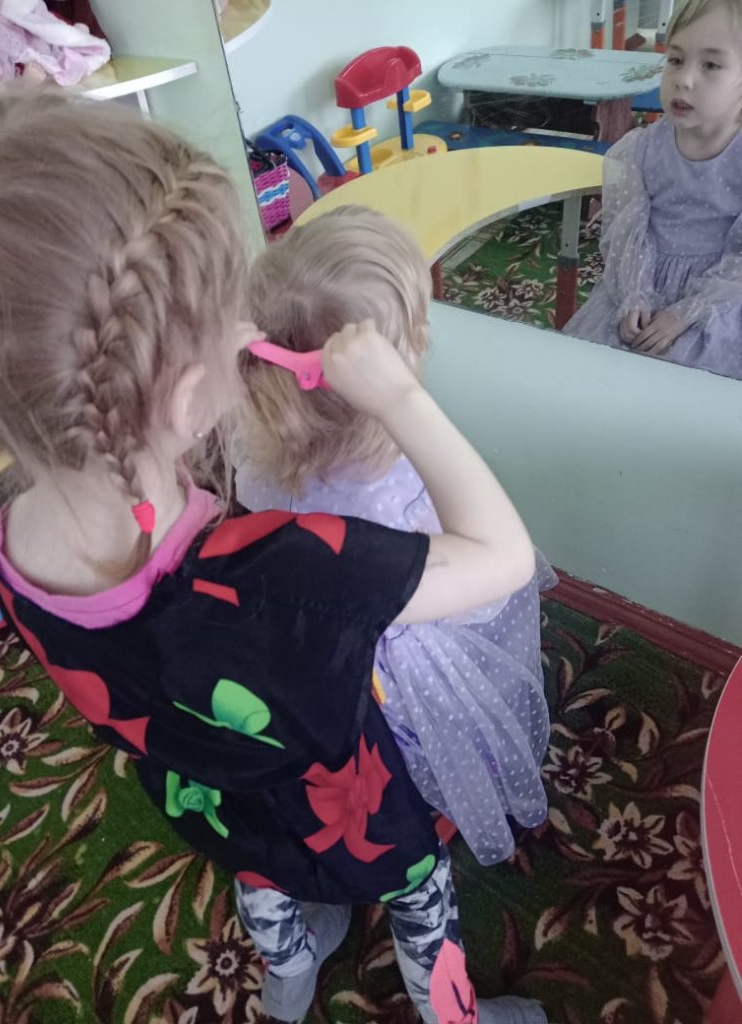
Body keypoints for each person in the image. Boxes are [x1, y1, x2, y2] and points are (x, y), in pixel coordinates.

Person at [0, 92, 547, 1024]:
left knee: (261, 873)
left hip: (211, 799)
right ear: (187, 393)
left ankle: (287, 971)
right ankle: (455, 1015)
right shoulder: (290, 574)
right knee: (419, 896)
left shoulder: (5, 530)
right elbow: (502, 554)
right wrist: (399, 396)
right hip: (357, 813)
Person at [233, 205, 553, 869]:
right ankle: (448, 794)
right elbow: (501, 554)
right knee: (446, 732)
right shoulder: (401, 465)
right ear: (395, 362)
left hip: (316, 657)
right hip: (412, 653)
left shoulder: (254, 443)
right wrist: (407, 406)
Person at [563, 0, 742, 378]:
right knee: (589, 370)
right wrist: (634, 294)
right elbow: (627, 230)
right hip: (640, 283)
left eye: (711, 65)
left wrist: (688, 312)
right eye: (675, 59)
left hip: (720, 298)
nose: (684, 79)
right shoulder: (641, 149)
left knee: (689, 383)